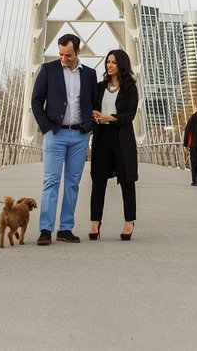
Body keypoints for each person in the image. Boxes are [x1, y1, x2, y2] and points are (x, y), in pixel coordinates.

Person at [30, 33, 96, 245]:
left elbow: (95, 103)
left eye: (68, 55)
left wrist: (89, 127)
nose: (63, 59)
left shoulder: (90, 75)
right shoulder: (48, 70)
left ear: (78, 51)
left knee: (72, 183)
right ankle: (46, 229)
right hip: (55, 134)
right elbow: (36, 101)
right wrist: (46, 128)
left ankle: (65, 228)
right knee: (51, 181)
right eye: (60, 54)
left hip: (80, 135)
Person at [89, 49, 139, 241]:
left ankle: (129, 220)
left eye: (113, 62)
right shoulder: (100, 87)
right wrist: (95, 116)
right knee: (98, 180)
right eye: (108, 62)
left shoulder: (130, 88)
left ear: (121, 65)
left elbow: (131, 114)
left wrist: (110, 117)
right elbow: (92, 106)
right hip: (102, 137)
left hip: (122, 137)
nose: (109, 65)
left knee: (127, 180)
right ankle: (95, 220)